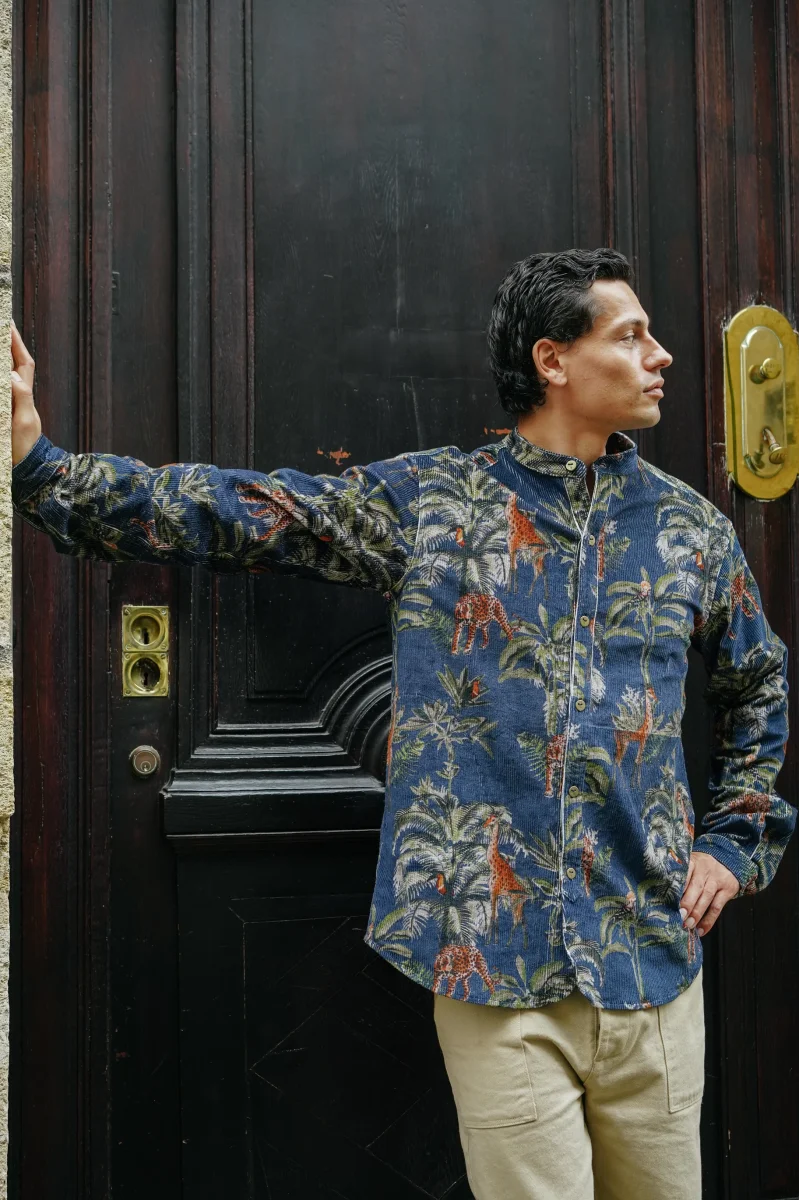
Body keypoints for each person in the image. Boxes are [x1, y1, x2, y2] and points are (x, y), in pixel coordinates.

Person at [10, 248, 793, 1200]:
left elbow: (757, 681)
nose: (660, 355)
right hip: (490, 961)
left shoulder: (687, 530)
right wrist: (42, 468)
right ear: (552, 360)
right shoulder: (435, 506)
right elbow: (249, 512)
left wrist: (732, 839)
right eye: (630, 336)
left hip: (650, 955)